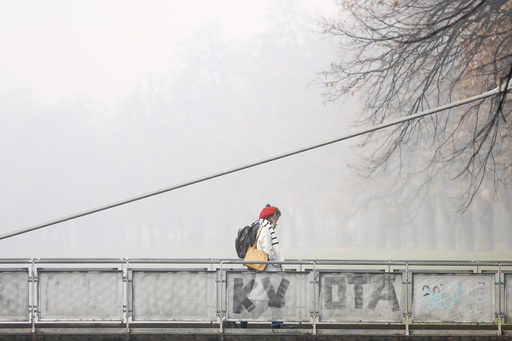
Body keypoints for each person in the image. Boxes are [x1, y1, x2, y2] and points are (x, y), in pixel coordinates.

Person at [256, 204, 294, 329]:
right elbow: (268, 250)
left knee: (269, 298)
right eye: (276, 217)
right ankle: (236, 318)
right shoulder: (266, 230)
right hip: (270, 271)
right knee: (271, 298)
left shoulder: (264, 228)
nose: (276, 220)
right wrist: (276, 264)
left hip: (268, 270)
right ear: (271, 216)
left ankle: (277, 322)